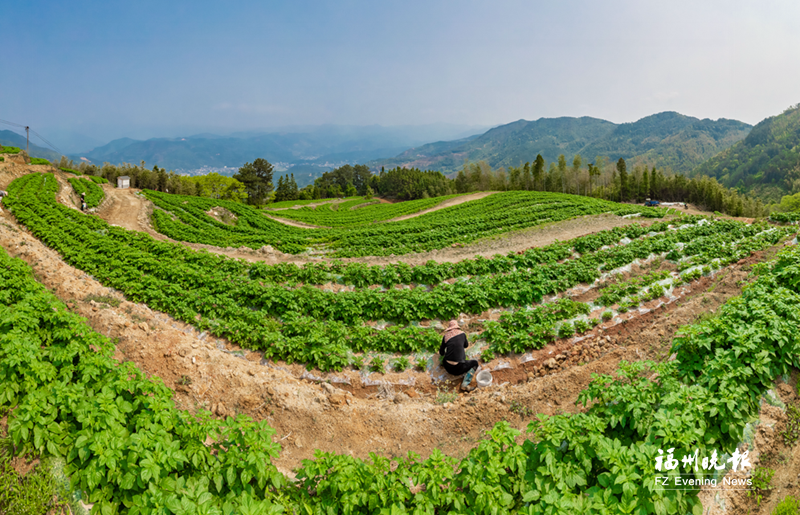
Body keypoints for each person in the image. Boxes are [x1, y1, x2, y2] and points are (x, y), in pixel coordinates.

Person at [439, 320, 479, 391]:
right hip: (458, 368)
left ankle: (443, 364)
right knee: (475, 363)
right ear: (457, 327)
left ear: (450, 329)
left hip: (447, 367)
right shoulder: (462, 334)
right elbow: (466, 345)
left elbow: (441, 352)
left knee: (445, 358)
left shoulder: (446, 336)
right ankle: (465, 384)